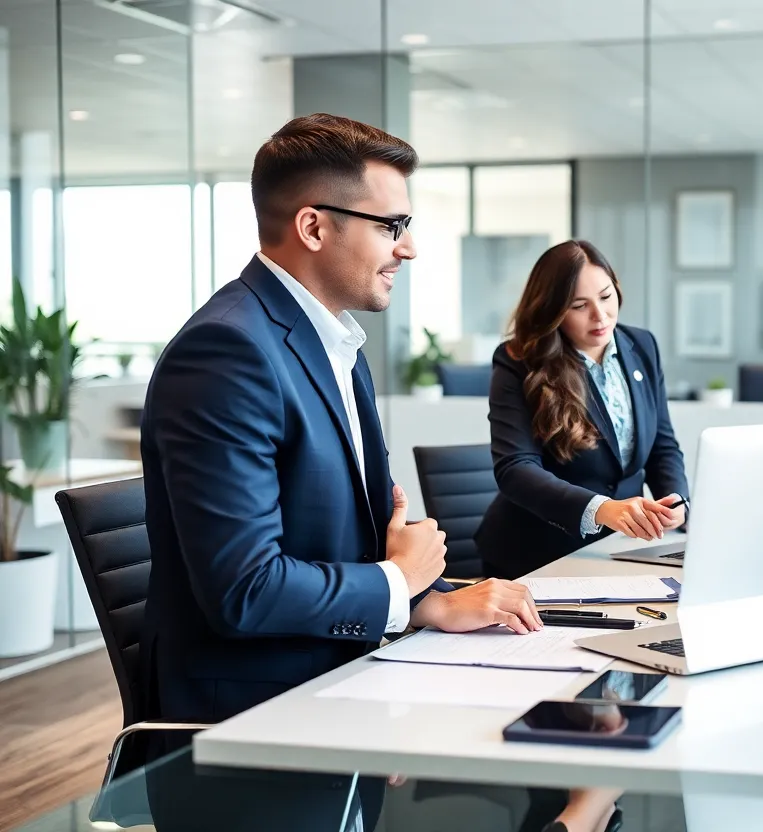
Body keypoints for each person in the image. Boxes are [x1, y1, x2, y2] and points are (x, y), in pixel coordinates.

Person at [139, 113, 541, 827]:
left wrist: (429, 599)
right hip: (254, 743)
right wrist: (399, 581)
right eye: (393, 225)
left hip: (343, 704)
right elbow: (245, 591)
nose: (408, 248)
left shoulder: (335, 345)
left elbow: (344, 547)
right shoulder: (228, 352)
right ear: (315, 227)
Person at [475, 240, 690, 579]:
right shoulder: (518, 361)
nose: (600, 316)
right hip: (537, 554)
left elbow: (662, 445)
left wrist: (675, 500)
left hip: (618, 550)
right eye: (579, 305)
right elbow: (516, 469)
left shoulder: (642, 346)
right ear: (553, 310)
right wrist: (602, 509)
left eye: (606, 297)